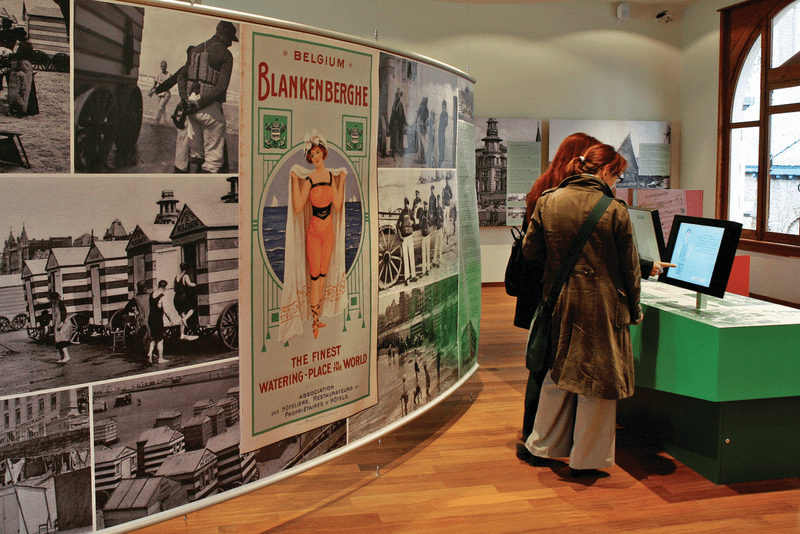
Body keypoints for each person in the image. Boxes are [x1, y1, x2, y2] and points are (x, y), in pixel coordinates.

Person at [516, 143, 643, 478]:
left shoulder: (548, 200)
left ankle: (541, 444)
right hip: (602, 304)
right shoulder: (615, 210)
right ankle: (587, 458)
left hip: (557, 299)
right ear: (604, 172)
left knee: (557, 374)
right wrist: (635, 306)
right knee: (598, 381)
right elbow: (630, 268)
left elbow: (530, 251)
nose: (617, 182)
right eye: (618, 175)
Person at [281, 130, 347, 341]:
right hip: (314, 233)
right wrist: (293, 179)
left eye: (318, 152)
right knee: (316, 278)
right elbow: (299, 207)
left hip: (328, 232)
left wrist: (342, 180)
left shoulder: (330, 177)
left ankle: (317, 317)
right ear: (309, 158)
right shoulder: (308, 179)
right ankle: (315, 323)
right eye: (312, 154)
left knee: (324, 275)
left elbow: (337, 204)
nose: (316, 157)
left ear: (323, 152)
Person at [177, 20, 238, 173]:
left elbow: (181, 77)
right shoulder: (226, 54)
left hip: (191, 108)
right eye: (231, 38)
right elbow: (221, 87)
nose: (231, 43)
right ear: (224, 36)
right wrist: (200, 103)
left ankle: (192, 187)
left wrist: (185, 99)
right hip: (209, 108)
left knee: (196, 154)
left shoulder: (195, 49)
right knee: (212, 160)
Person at [174, 263, 199, 341]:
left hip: (176, 298)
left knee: (182, 314)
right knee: (193, 308)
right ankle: (185, 319)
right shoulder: (185, 276)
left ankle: (182, 334)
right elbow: (190, 284)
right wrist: (196, 284)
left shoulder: (177, 277)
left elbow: (175, 288)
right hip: (183, 297)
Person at [148, 280, 169, 364]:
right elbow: (165, 310)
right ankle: (160, 358)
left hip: (150, 319)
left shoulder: (151, 294)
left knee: (153, 338)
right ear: (164, 287)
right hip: (158, 320)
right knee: (160, 340)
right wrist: (171, 320)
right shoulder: (162, 296)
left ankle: (149, 353)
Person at [397, 197, 416, 285]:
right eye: (405, 203)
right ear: (404, 204)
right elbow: (397, 225)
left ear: (408, 204)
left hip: (410, 237)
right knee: (405, 257)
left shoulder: (411, 212)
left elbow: (414, 221)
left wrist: (412, 222)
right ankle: (407, 277)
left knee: (411, 255)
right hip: (404, 238)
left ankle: (414, 275)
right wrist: (400, 236)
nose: (406, 205)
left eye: (407, 203)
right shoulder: (401, 214)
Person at [49, 291, 72, 363]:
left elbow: (63, 312)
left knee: (61, 340)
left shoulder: (60, 303)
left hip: (61, 322)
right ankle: (62, 357)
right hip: (57, 322)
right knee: (57, 340)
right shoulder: (55, 304)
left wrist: (62, 322)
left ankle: (67, 356)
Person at [149, 60, 172, 125]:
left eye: (164, 66)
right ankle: (165, 123)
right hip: (160, 93)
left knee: (160, 108)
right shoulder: (159, 74)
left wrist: (157, 81)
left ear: (166, 67)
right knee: (162, 109)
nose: (163, 67)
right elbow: (155, 85)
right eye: (162, 66)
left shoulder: (169, 74)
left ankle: (156, 122)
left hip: (166, 94)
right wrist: (151, 90)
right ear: (160, 67)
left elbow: (165, 84)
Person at [388, 89, 406, 159]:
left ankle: (394, 152)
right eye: (397, 95)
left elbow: (393, 115)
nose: (397, 96)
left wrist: (391, 125)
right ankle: (399, 153)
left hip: (395, 125)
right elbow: (401, 116)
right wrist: (403, 124)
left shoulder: (395, 104)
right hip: (398, 125)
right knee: (399, 139)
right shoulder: (399, 104)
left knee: (395, 139)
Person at [415, 97, 429, 164]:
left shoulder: (425, 110)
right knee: (422, 144)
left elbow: (425, 120)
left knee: (422, 144)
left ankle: (422, 158)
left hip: (422, 129)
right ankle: (421, 158)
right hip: (421, 129)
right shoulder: (424, 109)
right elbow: (418, 118)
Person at [420, 201, 431, 275]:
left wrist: (427, 220)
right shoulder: (422, 214)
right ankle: (423, 271)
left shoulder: (429, 213)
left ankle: (428, 269)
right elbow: (420, 225)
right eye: (424, 206)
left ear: (427, 206)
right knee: (423, 253)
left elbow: (431, 221)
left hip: (428, 235)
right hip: (423, 236)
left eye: (426, 206)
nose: (425, 207)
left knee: (428, 253)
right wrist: (422, 220)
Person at [437, 100, 449, 167]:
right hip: (440, 131)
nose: (443, 107)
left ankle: (441, 159)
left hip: (442, 131)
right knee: (440, 145)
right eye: (442, 105)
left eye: (444, 105)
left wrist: (443, 124)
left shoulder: (445, 113)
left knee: (441, 145)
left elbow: (446, 123)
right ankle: (440, 158)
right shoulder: (442, 113)